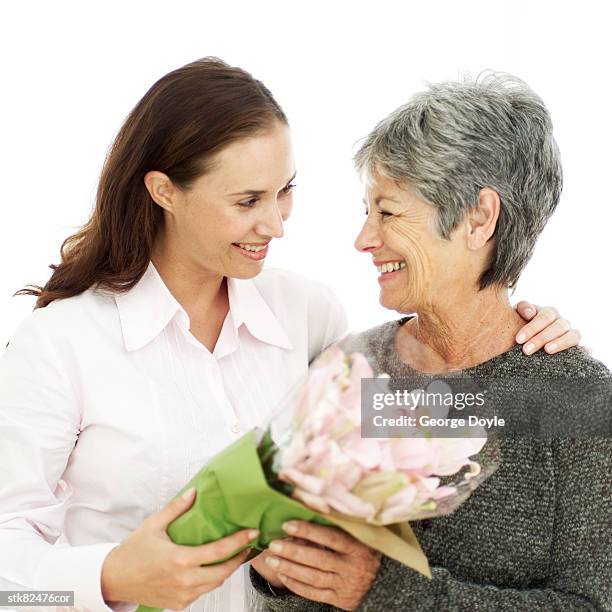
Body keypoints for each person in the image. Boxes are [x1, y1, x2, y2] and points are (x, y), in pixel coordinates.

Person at [0, 59, 581, 612]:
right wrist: (111, 575)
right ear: (164, 191)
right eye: (248, 201)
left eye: (285, 191)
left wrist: (524, 346)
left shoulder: (306, 314)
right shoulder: (62, 345)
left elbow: (424, 419)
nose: (276, 223)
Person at [249, 74, 612, 611]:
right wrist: (279, 567)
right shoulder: (355, 369)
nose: (364, 239)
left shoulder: (573, 401)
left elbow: (590, 605)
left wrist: (387, 592)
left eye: (389, 212)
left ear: (478, 218)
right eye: (366, 211)